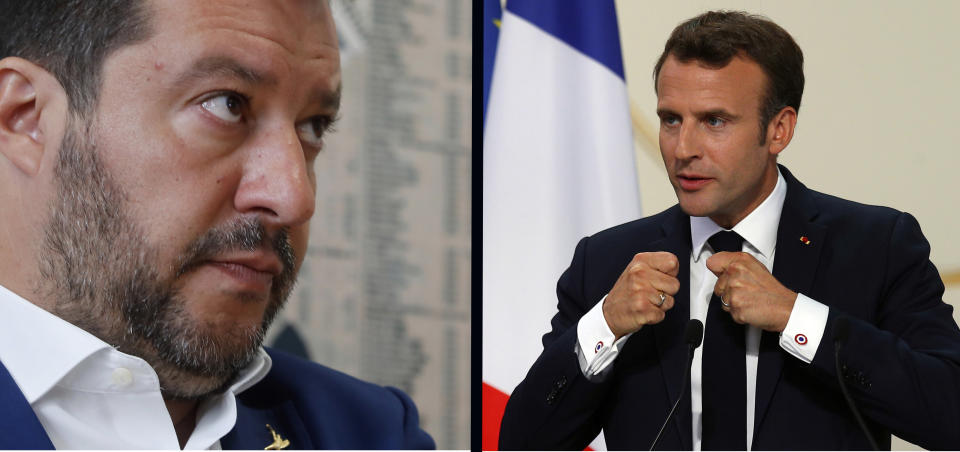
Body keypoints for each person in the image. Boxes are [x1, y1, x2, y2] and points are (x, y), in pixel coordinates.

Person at [499, 10, 960, 451]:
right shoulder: (607, 261)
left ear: (779, 129)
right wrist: (604, 325)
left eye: (714, 121)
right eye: (670, 119)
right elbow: (521, 442)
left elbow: (949, 413)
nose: (683, 148)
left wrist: (796, 318)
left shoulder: (875, 246)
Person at [0, 0, 434, 449]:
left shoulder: (371, 433)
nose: (294, 197)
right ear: (25, 116)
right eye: (228, 105)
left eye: (313, 127)